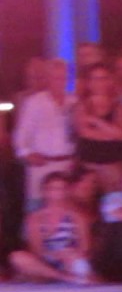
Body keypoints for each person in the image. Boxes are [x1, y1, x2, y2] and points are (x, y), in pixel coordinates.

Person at [9, 172, 95, 284]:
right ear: (44, 191)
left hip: (69, 261)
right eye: (52, 188)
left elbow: (85, 248)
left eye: (61, 188)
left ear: (67, 191)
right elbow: (36, 251)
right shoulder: (34, 218)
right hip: (45, 264)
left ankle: (67, 276)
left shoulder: (77, 216)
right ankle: (63, 277)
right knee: (17, 257)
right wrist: (54, 255)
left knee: (79, 263)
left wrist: (70, 254)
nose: (57, 192)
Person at [14, 59, 76, 210]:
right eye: (56, 78)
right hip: (41, 166)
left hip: (67, 166)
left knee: (66, 210)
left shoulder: (74, 101)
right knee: (37, 209)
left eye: (63, 77)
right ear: (47, 79)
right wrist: (28, 154)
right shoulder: (34, 102)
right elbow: (20, 137)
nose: (60, 82)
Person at [73, 63, 122, 192]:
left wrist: (95, 120)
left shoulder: (119, 106)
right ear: (89, 82)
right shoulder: (81, 106)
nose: (100, 82)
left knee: (113, 206)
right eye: (95, 78)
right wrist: (112, 134)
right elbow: (85, 133)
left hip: (114, 167)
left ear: (109, 81)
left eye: (103, 78)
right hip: (88, 167)